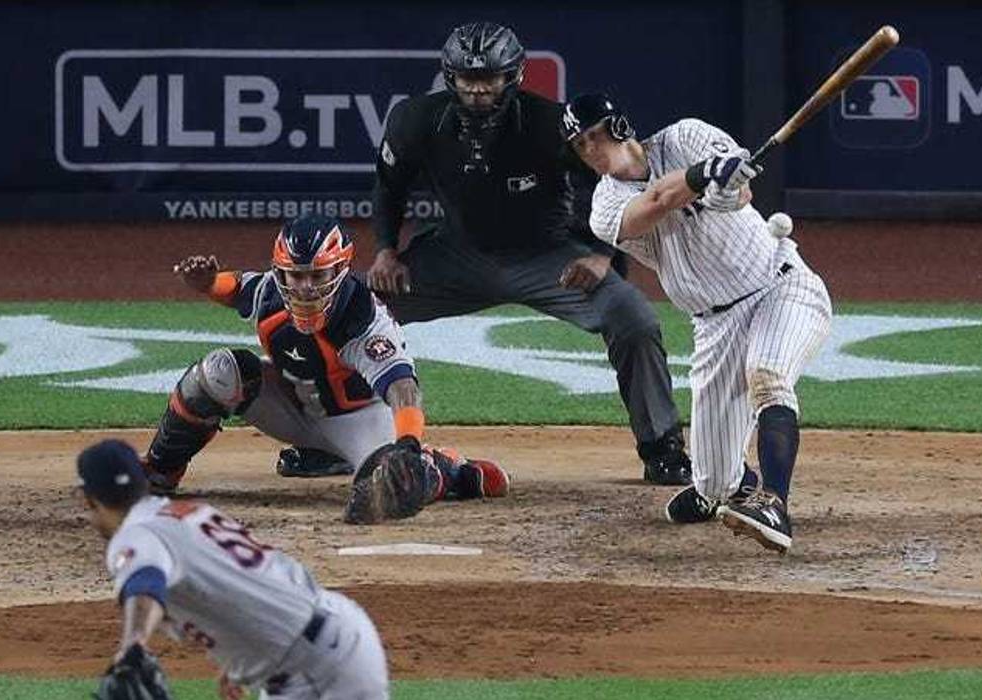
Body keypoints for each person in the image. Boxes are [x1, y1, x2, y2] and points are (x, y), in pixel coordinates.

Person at [363, 21, 692, 486]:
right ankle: (334, 440)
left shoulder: (553, 125)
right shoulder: (414, 120)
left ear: (514, 76)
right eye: (466, 79)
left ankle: (663, 449)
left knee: (634, 318)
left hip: (552, 258)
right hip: (456, 256)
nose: (477, 90)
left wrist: (602, 254)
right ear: (448, 76)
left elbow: (616, 180)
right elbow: (388, 188)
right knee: (352, 308)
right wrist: (384, 252)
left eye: (490, 79)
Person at [563, 93, 833, 553]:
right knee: (712, 485)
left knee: (768, 376)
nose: (591, 148)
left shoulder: (688, 135)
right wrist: (702, 176)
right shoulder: (606, 205)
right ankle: (732, 488)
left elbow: (741, 194)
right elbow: (654, 202)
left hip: (779, 287)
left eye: (596, 134)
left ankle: (775, 504)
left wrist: (728, 185)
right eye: (580, 144)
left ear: (621, 125)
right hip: (714, 326)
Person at [139, 214, 509, 524]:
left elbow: (402, 387)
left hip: (357, 420)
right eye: (295, 275)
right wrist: (207, 283)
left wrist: (408, 443)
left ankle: (451, 470)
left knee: (393, 487)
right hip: (293, 408)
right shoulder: (271, 291)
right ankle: (159, 471)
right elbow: (236, 287)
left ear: (340, 270)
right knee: (217, 372)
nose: (304, 288)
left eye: (316, 276)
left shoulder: (363, 317)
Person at [76, 439, 390, 699]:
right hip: (334, 634)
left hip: (313, 668)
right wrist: (236, 656)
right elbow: (243, 578)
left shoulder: (134, 534)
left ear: (90, 499)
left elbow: (144, 583)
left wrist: (133, 644)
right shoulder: (188, 511)